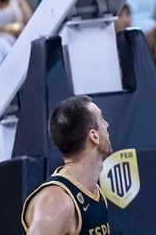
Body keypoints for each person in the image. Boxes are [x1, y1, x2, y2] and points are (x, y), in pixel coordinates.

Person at [22, 95, 112, 234]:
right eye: (101, 119)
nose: (107, 124)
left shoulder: (93, 191)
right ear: (94, 136)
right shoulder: (57, 201)